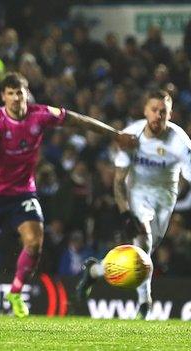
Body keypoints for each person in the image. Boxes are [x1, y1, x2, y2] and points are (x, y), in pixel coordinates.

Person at [0, 72, 137, 318]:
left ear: (26, 93)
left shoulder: (40, 114)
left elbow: (79, 120)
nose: (16, 98)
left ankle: (16, 292)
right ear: (3, 96)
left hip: (23, 193)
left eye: (19, 92)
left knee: (34, 243)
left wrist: (115, 135)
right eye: (10, 93)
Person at [76, 90, 191, 320]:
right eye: (154, 110)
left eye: (163, 112)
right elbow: (119, 181)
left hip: (165, 198)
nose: (158, 115)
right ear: (145, 111)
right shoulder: (130, 136)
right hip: (138, 193)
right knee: (143, 243)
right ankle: (144, 304)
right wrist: (126, 213)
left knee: (146, 252)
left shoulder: (180, 143)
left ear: (171, 114)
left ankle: (96, 270)